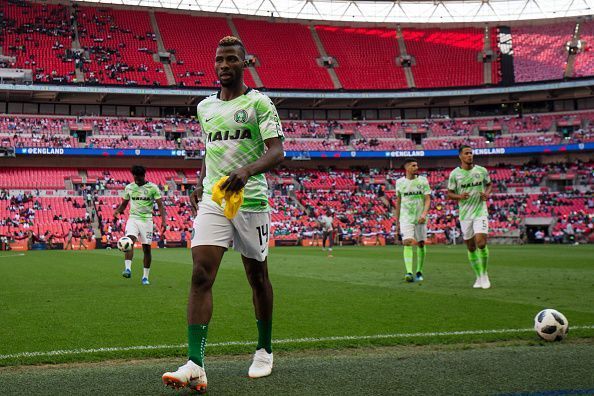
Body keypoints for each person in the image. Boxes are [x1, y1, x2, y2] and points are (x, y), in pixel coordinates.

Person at [162, 36, 284, 393]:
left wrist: (246, 171)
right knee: (200, 273)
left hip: (251, 200)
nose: (224, 65)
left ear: (244, 64)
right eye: (219, 60)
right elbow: (209, 150)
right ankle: (195, 364)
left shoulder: (259, 103)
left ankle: (264, 349)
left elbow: (277, 151)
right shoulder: (205, 108)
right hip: (214, 199)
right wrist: (200, 181)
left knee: (257, 276)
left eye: (231, 59)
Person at [447, 146, 493, 289]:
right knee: (471, 247)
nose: (470, 155)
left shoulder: (481, 171)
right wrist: (459, 196)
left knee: (481, 243)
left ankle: (485, 274)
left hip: (480, 212)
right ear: (460, 156)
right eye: (466, 153)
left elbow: (489, 184)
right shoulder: (455, 174)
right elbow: (449, 193)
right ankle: (478, 276)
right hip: (465, 214)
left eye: (471, 153)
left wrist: (487, 193)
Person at [113, 165, 166, 285]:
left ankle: (145, 277)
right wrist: (117, 211)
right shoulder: (129, 187)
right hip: (133, 219)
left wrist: (164, 221)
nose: (136, 181)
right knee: (129, 241)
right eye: (135, 178)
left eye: (138, 179)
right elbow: (124, 204)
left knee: (146, 249)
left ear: (143, 176)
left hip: (147, 221)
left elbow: (161, 205)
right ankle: (128, 269)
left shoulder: (153, 188)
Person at [395, 158, 431, 282]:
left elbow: (427, 199)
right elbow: (398, 202)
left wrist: (424, 214)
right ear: (407, 168)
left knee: (421, 243)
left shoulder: (423, 181)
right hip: (405, 218)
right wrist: (397, 222)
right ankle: (409, 272)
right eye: (413, 165)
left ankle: (419, 271)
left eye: (417, 165)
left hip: (420, 218)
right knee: (407, 242)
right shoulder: (399, 182)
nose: (417, 167)